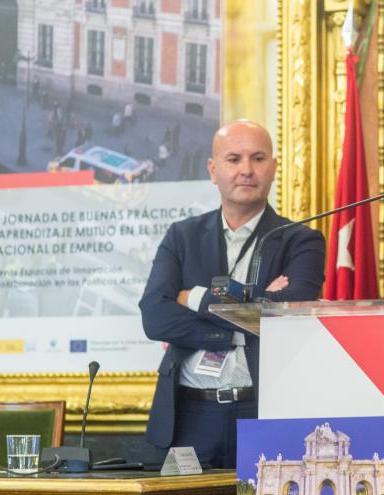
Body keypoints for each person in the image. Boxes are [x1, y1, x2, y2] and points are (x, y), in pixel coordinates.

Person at [139, 120, 326, 468]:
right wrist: (240, 326)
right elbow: (154, 316)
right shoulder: (182, 236)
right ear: (213, 170)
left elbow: (288, 317)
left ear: (273, 168)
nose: (246, 170)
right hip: (188, 416)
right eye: (234, 159)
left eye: (257, 158)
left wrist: (192, 298)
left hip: (263, 410)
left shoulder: (301, 240)